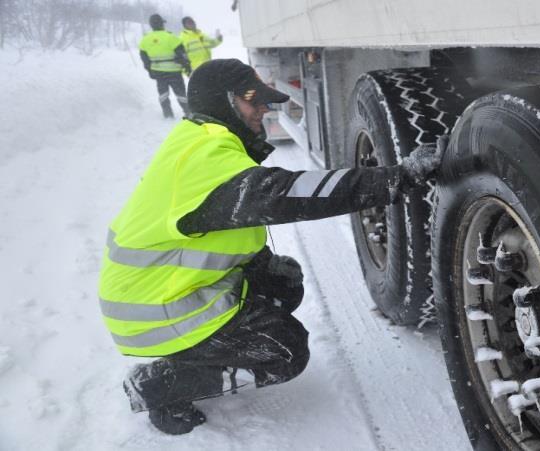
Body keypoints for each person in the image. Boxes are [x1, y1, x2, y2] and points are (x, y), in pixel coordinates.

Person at [97, 58, 445, 435]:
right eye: (252, 99)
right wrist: (397, 177)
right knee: (285, 353)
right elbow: (288, 194)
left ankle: (202, 350)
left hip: (165, 293)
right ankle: (159, 384)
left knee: (282, 280)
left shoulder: (201, 140)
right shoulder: (206, 154)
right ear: (222, 101)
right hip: (154, 313)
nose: (264, 108)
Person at [139, 14, 192, 118]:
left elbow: (144, 58)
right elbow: (182, 55)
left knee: (163, 94)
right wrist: (187, 67)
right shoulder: (171, 37)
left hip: (158, 72)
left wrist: (149, 70)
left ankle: (167, 114)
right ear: (162, 24)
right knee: (180, 93)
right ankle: (188, 112)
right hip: (174, 72)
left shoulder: (145, 40)